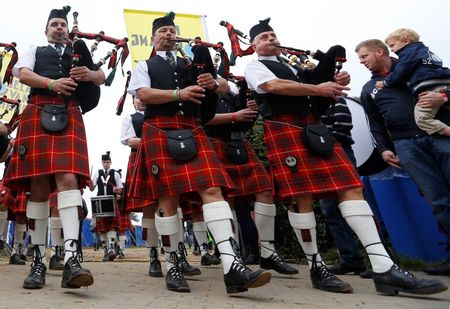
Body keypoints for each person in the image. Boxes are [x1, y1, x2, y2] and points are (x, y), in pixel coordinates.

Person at [244, 18, 447, 295]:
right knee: (301, 198)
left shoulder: (295, 66)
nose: (271, 39)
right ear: (253, 45)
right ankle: (317, 268)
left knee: (351, 187)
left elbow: (316, 98)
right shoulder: (254, 66)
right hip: (284, 129)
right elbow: (271, 87)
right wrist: (318, 88)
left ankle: (383, 268)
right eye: (264, 37)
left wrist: (332, 85)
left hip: (314, 129)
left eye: (273, 34)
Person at [127, 12, 271, 294]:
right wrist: (179, 95)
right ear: (154, 38)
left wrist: (211, 84)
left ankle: (232, 266)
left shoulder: (194, 63)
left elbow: (224, 87)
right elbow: (143, 95)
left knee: (212, 190)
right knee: (168, 198)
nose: (168, 34)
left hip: (192, 128)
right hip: (161, 129)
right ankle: (172, 266)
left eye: (172, 30)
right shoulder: (143, 65)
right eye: (163, 31)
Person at [4, 7, 104, 289]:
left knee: (68, 180)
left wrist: (90, 74)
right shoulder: (34, 49)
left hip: (69, 113)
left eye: (62, 24)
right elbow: (22, 74)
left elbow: (102, 77)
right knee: (38, 186)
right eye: (54, 25)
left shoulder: (78, 51)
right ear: (46, 30)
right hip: (39, 110)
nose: (59, 28)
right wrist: (51, 82)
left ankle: (71, 258)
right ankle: (37, 260)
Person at [356, 38, 450, 276]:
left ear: (380, 51)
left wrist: (444, 97)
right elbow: (374, 123)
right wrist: (383, 149)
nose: (362, 62)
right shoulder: (369, 89)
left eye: (364, 57)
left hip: (442, 136)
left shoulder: (420, 67)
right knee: (438, 201)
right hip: (406, 145)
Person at [205, 78, 298, 275]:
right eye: (220, 80)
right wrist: (234, 116)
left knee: (265, 191)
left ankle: (268, 253)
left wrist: (250, 112)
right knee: (226, 200)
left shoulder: (234, 97)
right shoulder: (204, 95)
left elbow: (244, 122)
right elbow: (202, 119)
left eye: (224, 81)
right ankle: (233, 254)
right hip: (214, 144)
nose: (224, 83)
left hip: (240, 145)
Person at [318, 97, 369, 277]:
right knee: (330, 209)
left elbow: (343, 126)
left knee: (359, 204)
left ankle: (381, 258)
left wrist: (318, 139)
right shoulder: (309, 104)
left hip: (339, 150)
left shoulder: (334, 99)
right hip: (319, 155)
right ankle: (351, 259)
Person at [375, 28, 450, 137]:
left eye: (392, 45)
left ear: (406, 41)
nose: (391, 50)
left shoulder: (408, 53)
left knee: (422, 119)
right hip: (445, 83)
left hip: (430, 87)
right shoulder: (427, 52)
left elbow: (400, 71)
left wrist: (385, 83)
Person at [121, 95, 163, 277]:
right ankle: (153, 255)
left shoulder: (160, 115)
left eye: (143, 97)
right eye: (137, 98)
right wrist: (156, 140)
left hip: (162, 158)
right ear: (133, 101)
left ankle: (177, 253)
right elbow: (129, 140)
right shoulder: (130, 118)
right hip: (140, 158)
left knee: (173, 205)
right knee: (149, 206)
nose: (141, 100)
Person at [89, 151, 125, 261]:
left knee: (111, 225)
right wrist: (89, 181)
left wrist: (118, 192)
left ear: (110, 162)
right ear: (102, 163)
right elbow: (92, 189)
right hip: (100, 202)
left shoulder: (115, 174)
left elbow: (120, 191)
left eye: (107, 162)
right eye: (104, 162)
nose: (105, 164)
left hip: (111, 201)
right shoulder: (97, 174)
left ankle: (111, 248)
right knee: (102, 228)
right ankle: (105, 250)